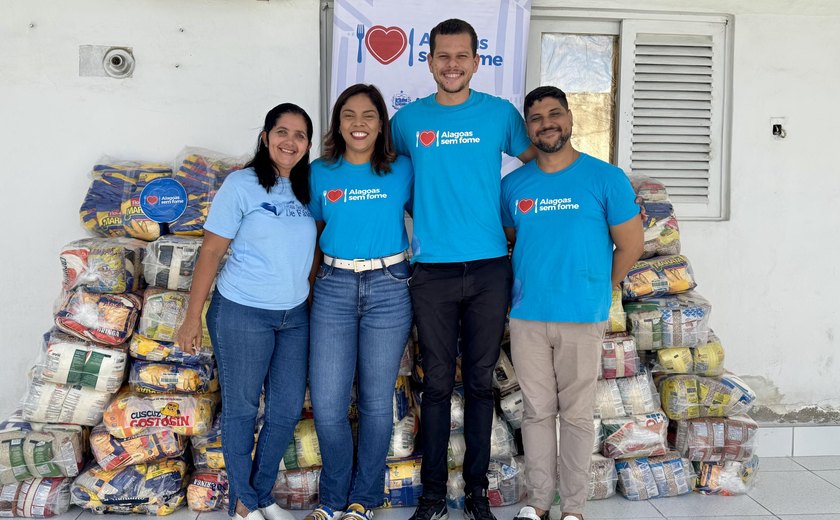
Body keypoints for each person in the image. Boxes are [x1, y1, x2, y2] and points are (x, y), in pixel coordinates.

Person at [389, 18, 535, 520]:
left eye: (461, 56)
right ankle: (431, 498)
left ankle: (475, 494)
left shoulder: (499, 114)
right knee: (434, 386)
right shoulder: (407, 122)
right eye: (442, 56)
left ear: (477, 61)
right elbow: (390, 180)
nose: (452, 65)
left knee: (477, 384)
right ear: (428, 61)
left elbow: (541, 163)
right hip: (431, 270)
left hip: (492, 267)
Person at [501, 86, 644, 520]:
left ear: (570, 120)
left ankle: (575, 509)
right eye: (537, 117)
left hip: (582, 316)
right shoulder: (513, 185)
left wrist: (599, 289)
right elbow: (511, 240)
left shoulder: (605, 178)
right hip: (527, 316)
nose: (547, 123)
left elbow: (631, 245)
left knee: (578, 416)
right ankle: (538, 501)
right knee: (537, 413)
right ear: (528, 129)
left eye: (555, 113)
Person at [176, 103, 316, 520]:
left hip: (294, 317)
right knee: (240, 409)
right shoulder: (242, 184)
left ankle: (258, 494)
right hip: (242, 312)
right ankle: (244, 503)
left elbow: (313, 246)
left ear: (308, 145)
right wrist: (191, 317)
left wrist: (304, 289)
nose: (290, 142)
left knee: (286, 409)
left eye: (300, 135)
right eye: (282, 132)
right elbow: (212, 251)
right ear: (265, 137)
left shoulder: (309, 188)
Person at [306, 84, 414, 520]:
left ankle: (362, 501)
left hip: (390, 286)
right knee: (329, 404)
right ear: (337, 123)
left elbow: (432, 214)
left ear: (381, 123)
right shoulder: (319, 172)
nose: (358, 123)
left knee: (374, 402)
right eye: (348, 115)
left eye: (368, 115)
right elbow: (310, 235)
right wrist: (309, 287)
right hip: (333, 286)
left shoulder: (402, 169)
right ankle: (332, 500)